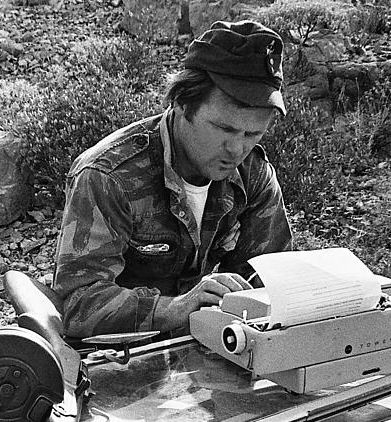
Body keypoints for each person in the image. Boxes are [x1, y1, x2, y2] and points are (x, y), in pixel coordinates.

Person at [52, 20, 293, 337]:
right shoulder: (109, 175)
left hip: (210, 347)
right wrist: (177, 308)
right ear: (181, 102)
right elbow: (80, 303)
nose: (237, 149)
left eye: (253, 133)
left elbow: (272, 278)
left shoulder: (253, 174)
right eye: (224, 129)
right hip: (119, 355)